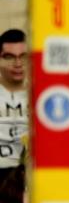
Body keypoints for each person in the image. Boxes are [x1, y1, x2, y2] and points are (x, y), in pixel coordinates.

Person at [0, 29, 27, 177]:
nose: (18, 63)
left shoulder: (44, 95)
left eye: (24, 56)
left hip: (33, 175)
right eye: (9, 57)